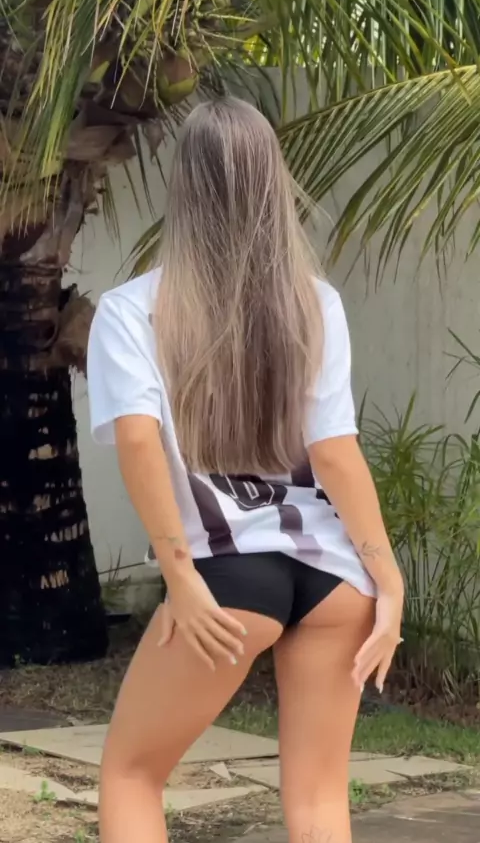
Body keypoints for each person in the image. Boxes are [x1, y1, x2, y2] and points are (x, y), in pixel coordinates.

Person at [87, 97, 404, 843]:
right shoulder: (314, 303)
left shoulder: (132, 310)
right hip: (334, 576)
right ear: (273, 183)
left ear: (184, 190)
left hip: (227, 575)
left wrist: (181, 578)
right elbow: (336, 452)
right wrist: (387, 580)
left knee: (132, 774)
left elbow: (138, 443)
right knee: (320, 800)